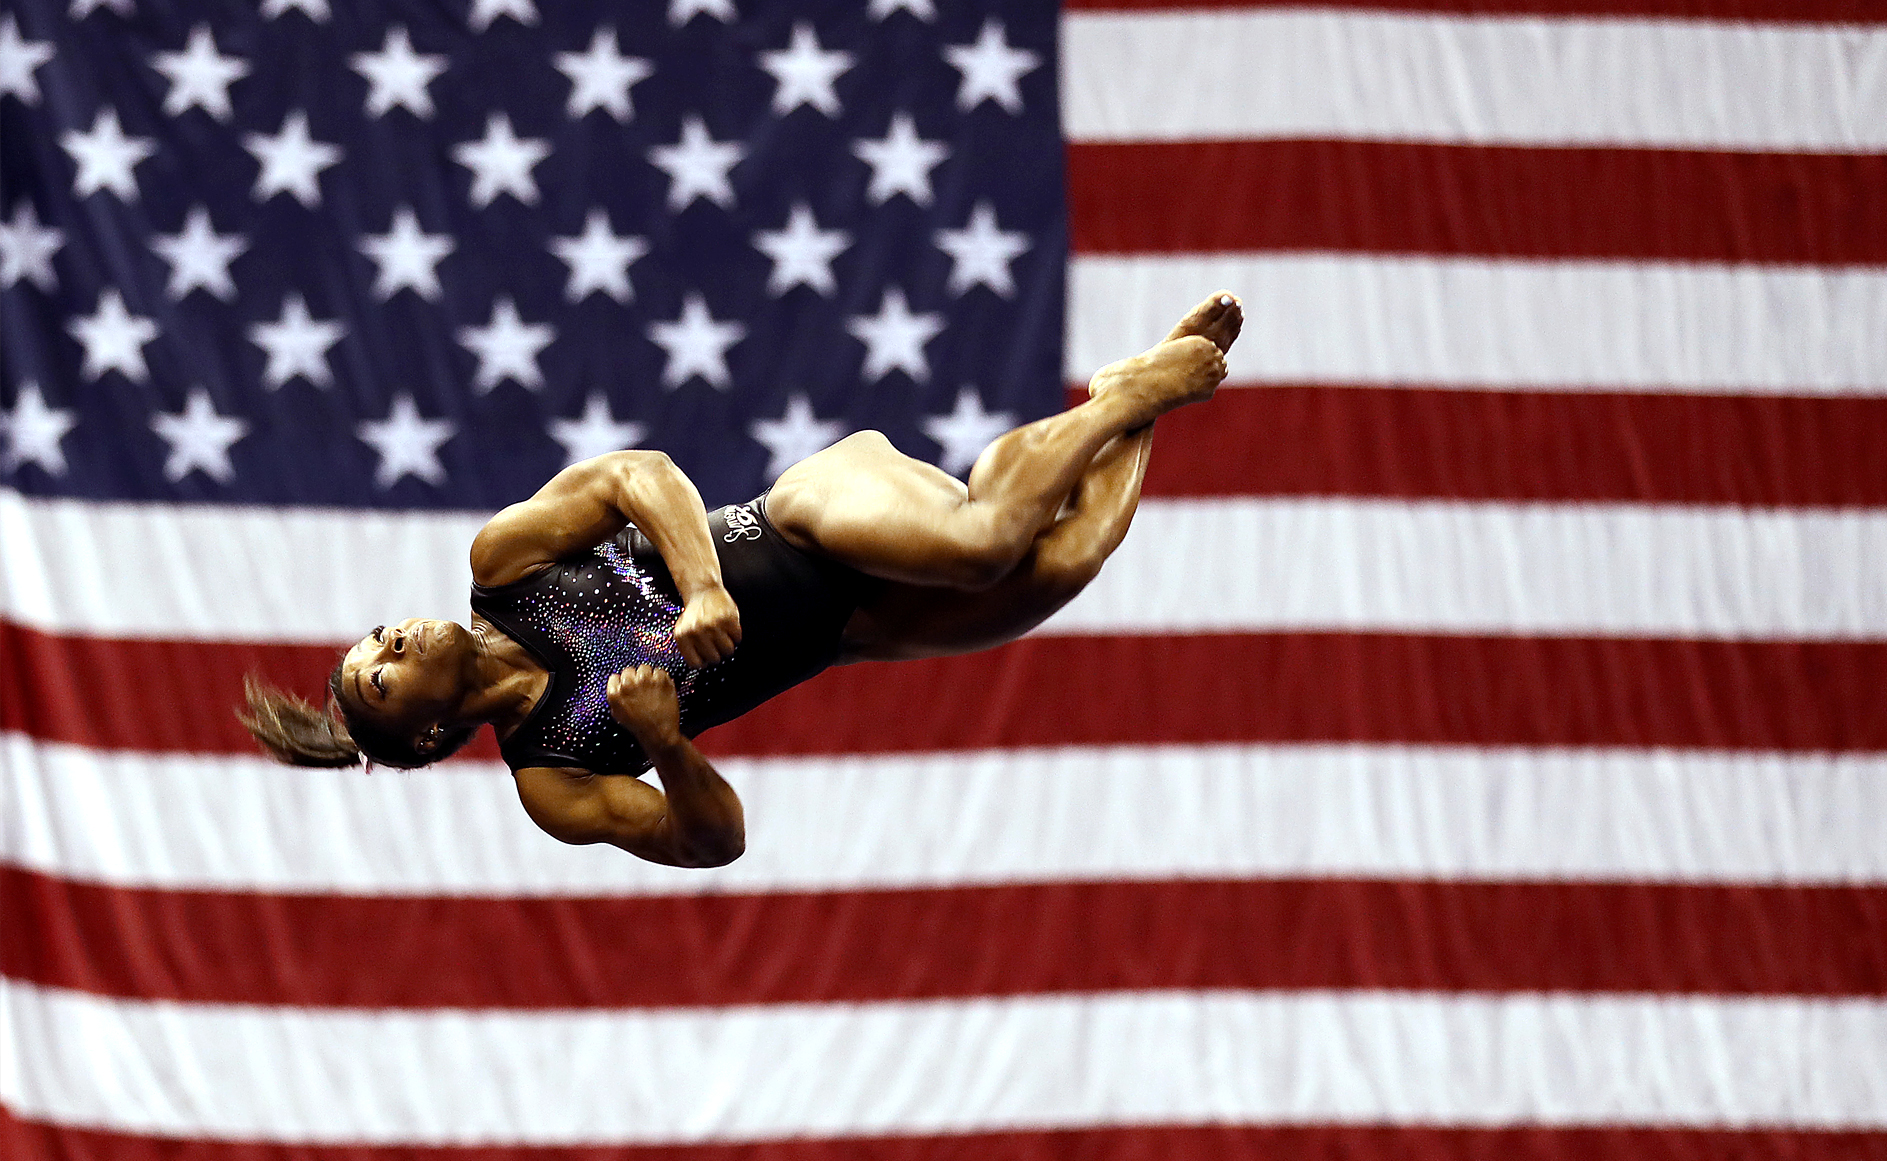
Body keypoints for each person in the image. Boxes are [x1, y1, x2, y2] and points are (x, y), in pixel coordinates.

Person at [242, 292, 1242, 867]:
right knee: (1069, 558)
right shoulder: (552, 774)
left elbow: (641, 473)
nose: (392, 642)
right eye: (381, 674)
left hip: (808, 512)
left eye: (374, 635)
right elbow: (711, 841)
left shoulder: (504, 568)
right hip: (854, 623)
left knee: (987, 540)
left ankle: (1128, 392)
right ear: (425, 731)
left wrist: (704, 584)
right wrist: (666, 743)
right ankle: (1134, 403)